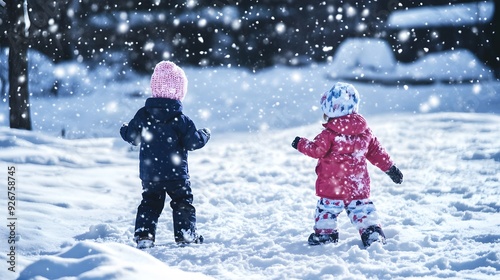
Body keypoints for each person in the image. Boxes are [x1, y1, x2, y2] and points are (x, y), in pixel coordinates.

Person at [291, 82, 403, 247]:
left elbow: (316, 150)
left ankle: (325, 235)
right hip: (357, 186)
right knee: (363, 211)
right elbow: (377, 153)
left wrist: (300, 143)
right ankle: (372, 233)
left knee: (326, 211)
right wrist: (390, 168)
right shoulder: (365, 133)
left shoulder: (329, 134)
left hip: (332, 186)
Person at [120, 61, 210, 249]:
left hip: (150, 174)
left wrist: (125, 130)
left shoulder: (143, 115)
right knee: (182, 202)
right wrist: (204, 134)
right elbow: (193, 142)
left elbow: (133, 137)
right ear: (179, 92)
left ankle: (144, 235)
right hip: (176, 174)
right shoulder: (181, 119)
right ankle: (185, 234)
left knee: (150, 203)